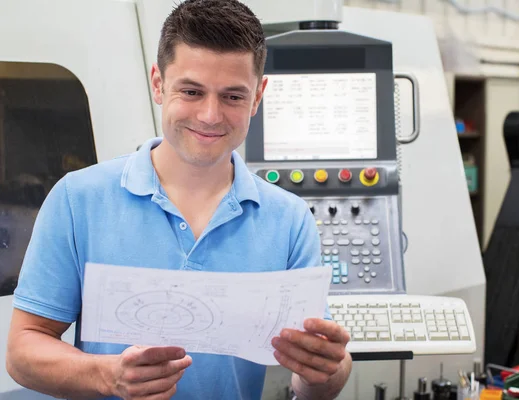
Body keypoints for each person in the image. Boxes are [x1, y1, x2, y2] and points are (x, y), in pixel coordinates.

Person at [5, 0, 352, 398]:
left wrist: (328, 370)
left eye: (233, 97)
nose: (209, 115)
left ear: (258, 97)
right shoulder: (77, 199)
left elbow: (314, 384)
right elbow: (23, 349)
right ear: (158, 83)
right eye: (191, 90)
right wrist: (107, 375)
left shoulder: (289, 221)